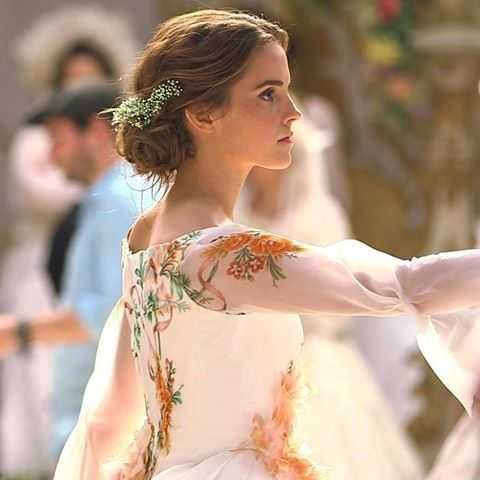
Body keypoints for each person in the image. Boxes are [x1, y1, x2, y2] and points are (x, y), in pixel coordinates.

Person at [40, 10, 480, 479]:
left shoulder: (145, 240)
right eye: (268, 94)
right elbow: (402, 284)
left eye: (286, 90)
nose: (293, 112)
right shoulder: (223, 256)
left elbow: (108, 420)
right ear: (203, 113)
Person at [236, 113, 424, 479]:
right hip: (251, 351)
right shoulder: (240, 213)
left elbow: (339, 294)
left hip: (311, 351)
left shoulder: (318, 217)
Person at [0, 7, 139, 474]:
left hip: (111, 428)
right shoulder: (102, 201)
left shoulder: (117, 202)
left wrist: (17, 332)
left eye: (59, 139)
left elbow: (107, 313)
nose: (53, 156)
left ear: (95, 132)